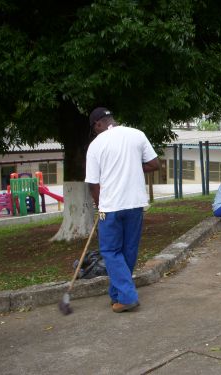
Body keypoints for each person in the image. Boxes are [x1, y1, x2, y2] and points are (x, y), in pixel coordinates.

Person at [85, 107, 160, 313]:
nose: (95, 132)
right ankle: (117, 294)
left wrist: (99, 207)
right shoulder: (137, 135)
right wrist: (134, 166)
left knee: (110, 251)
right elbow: (155, 164)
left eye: (94, 128)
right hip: (135, 204)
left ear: (98, 123)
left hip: (110, 207)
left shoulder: (96, 144)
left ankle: (127, 297)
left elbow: (93, 184)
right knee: (128, 250)